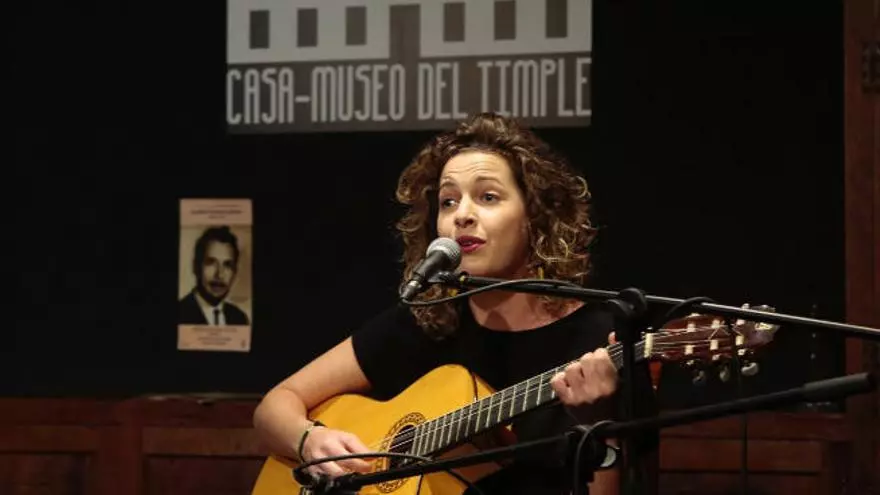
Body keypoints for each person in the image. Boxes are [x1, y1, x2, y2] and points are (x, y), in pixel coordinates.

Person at [253, 113, 657, 494]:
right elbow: (275, 405)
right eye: (448, 202)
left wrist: (601, 426)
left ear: (535, 217)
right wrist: (310, 441)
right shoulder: (428, 321)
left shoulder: (605, 341)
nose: (462, 215)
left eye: (488, 197)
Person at [179, 225, 250, 326]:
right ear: (196, 267)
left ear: (234, 272)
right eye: (211, 263)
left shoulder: (239, 318)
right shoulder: (179, 313)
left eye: (227, 265)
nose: (219, 274)